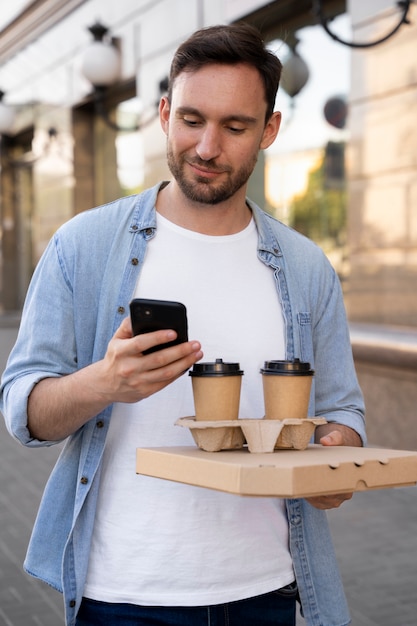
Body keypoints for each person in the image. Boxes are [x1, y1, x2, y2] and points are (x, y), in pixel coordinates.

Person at [0, 23, 365, 626]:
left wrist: (333, 461)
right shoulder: (84, 245)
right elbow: (23, 411)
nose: (207, 147)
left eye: (235, 126)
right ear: (165, 113)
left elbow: (343, 413)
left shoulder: (305, 267)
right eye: (191, 120)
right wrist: (103, 383)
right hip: (121, 596)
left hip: (265, 591)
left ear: (269, 131)